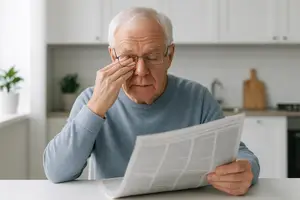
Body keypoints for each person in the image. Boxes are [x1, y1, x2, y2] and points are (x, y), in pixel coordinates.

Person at [43, 7, 260, 196]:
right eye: (128, 57)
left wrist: (245, 169)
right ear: (112, 56)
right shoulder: (91, 99)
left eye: (152, 56)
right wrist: (95, 109)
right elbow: (56, 171)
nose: (141, 71)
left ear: (170, 55)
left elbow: (239, 154)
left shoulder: (198, 97)